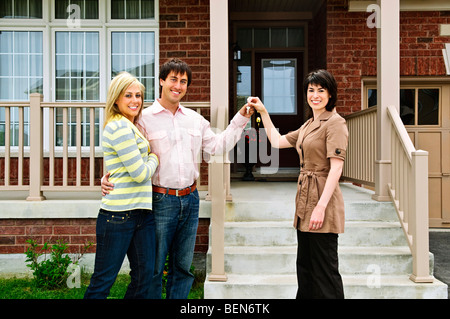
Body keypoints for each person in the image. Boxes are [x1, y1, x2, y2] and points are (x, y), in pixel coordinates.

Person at [102, 58, 255, 299]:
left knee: (182, 269)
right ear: (161, 81)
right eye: (173, 79)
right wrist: (106, 176)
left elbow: (218, 146)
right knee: (153, 269)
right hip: (159, 200)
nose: (178, 85)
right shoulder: (142, 118)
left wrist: (241, 118)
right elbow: (124, 152)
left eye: (183, 81)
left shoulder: (194, 120)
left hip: (190, 199)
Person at [247, 69, 348, 299]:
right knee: (305, 268)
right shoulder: (308, 124)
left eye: (321, 90)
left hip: (323, 199)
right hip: (305, 200)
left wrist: (321, 207)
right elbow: (277, 140)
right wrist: (263, 111)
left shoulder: (335, 123)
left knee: (325, 270)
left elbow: (337, 168)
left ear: (330, 94)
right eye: (311, 90)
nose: (315, 95)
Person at [84, 72, 159, 299]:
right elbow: (139, 174)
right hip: (117, 216)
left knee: (144, 277)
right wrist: (155, 157)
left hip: (141, 214)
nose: (135, 100)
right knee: (103, 281)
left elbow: (119, 167)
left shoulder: (131, 125)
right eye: (128, 95)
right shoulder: (119, 127)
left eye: (138, 95)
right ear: (116, 99)